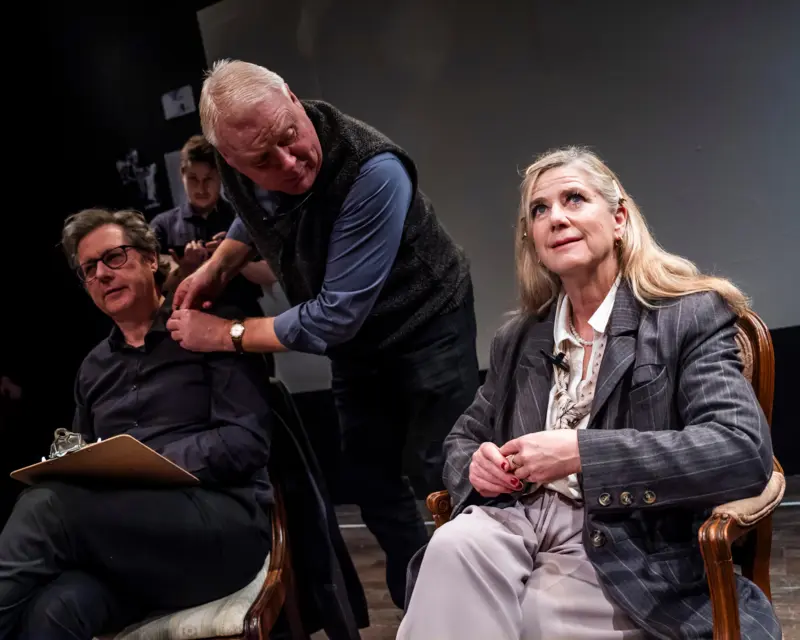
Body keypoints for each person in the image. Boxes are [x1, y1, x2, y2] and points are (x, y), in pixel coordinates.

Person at [397, 146, 780, 639]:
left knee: (524, 618)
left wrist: (582, 452)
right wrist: (477, 467)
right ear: (533, 240)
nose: (556, 218)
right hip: (516, 524)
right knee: (452, 549)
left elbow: (740, 449)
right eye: (539, 210)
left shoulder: (687, 316)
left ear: (619, 219)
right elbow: (463, 438)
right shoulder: (520, 337)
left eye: (574, 199)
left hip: (626, 541)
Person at [166, 59, 480, 608]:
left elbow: (334, 316)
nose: (289, 163)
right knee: (370, 479)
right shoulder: (240, 164)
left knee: (447, 471)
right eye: (262, 160)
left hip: (427, 323)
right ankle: (424, 603)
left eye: (289, 137)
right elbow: (250, 211)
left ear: (292, 98)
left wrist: (223, 333)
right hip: (359, 347)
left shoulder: (373, 170)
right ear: (231, 159)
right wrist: (217, 267)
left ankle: (481, 605)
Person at [0, 209, 272, 639]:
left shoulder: (209, 328)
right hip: (129, 547)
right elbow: (81, 457)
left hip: (216, 529)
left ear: (150, 259)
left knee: (46, 507)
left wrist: (145, 462)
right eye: (89, 269)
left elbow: (246, 442)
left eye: (114, 257)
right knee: (53, 611)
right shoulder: (93, 368)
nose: (102, 274)